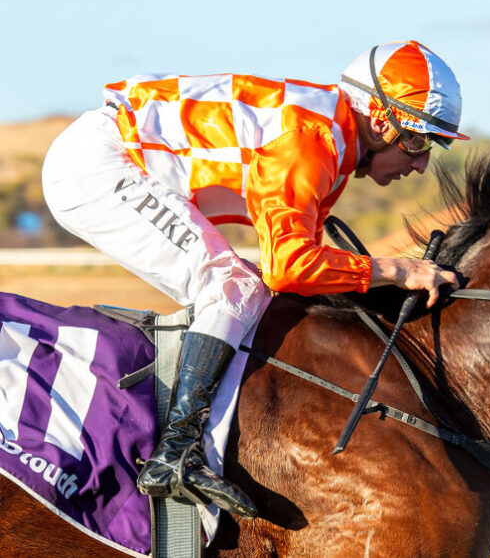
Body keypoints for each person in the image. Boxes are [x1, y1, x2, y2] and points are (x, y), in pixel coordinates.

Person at [41, 40, 463, 519]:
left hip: (104, 154)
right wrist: (397, 269)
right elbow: (290, 265)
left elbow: (294, 276)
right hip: (97, 163)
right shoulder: (312, 142)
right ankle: (175, 451)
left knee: (245, 288)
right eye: (418, 142)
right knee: (231, 286)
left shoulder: (330, 140)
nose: (421, 164)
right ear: (382, 121)